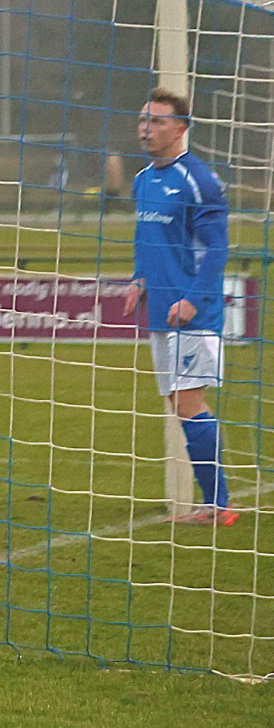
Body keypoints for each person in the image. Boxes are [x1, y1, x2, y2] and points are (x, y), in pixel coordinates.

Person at [122, 87, 234, 525]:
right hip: (160, 311)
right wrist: (139, 278)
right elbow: (147, 239)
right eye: (142, 120)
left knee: (189, 402)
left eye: (157, 121)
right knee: (177, 404)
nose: (146, 129)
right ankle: (215, 502)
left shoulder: (199, 179)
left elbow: (217, 249)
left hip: (192, 312)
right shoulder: (143, 179)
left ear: (181, 128)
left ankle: (218, 505)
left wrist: (194, 298)